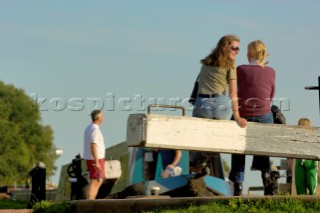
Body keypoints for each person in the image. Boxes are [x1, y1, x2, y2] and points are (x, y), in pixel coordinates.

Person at [191, 35, 247, 178]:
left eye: (238, 49)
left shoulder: (206, 63)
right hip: (220, 105)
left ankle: (199, 159)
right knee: (217, 130)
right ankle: (209, 158)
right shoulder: (230, 65)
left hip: (203, 104)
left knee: (198, 128)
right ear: (225, 46)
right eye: (234, 48)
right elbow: (233, 92)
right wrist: (237, 116)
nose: (236, 51)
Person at [228, 40, 276, 196]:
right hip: (264, 116)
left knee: (237, 146)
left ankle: (238, 184)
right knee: (263, 142)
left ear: (249, 54)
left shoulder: (241, 69)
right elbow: (271, 95)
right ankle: (266, 175)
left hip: (244, 116)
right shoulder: (271, 71)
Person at [83, 110, 106, 199]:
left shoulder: (89, 128)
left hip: (92, 158)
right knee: (95, 181)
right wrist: (96, 162)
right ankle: (90, 201)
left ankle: (91, 200)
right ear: (99, 118)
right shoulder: (94, 130)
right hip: (96, 158)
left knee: (97, 180)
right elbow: (93, 145)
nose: (103, 118)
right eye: (102, 116)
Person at [295, 118, 318, 195]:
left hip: (312, 161)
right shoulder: (295, 137)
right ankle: (301, 199)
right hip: (299, 161)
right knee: (299, 182)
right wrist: (290, 160)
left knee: (311, 182)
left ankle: (312, 198)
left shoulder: (313, 137)